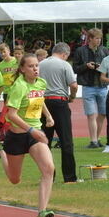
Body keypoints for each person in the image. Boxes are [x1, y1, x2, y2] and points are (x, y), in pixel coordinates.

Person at [0, 54, 56, 217]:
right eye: (31, 66)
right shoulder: (18, 87)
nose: (35, 69)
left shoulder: (41, 83)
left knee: (49, 169)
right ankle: (1, 151)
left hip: (35, 134)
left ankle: (42, 212)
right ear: (22, 68)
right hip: (17, 136)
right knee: (15, 179)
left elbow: (39, 99)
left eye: (37, 65)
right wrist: (30, 130)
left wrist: (48, 116)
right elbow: (10, 115)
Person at [39, 42, 79, 182]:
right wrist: (72, 97)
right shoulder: (64, 64)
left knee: (45, 142)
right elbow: (73, 85)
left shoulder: (41, 64)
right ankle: (69, 177)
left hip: (43, 104)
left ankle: (48, 176)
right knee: (66, 141)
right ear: (65, 54)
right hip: (60, 102)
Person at [73, 27, 109, 148]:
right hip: (88, 86)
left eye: (100, 38)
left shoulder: (104, 50)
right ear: (90, 39)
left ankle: (97, 139)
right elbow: (75, 68)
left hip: (102, 86)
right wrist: (86, 66)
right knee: (91, 114)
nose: (99, 40)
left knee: (103, 113)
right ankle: (93, 140)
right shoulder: (80, 51)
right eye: (97, 38)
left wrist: (100, 67)